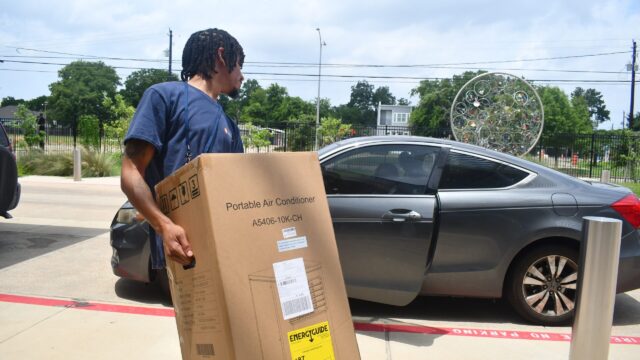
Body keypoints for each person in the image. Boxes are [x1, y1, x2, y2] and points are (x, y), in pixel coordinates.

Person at [120, 28, 245, 270]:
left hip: (222, 251)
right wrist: (163, 225)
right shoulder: (163, 96)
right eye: (239, 64)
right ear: (221, 56)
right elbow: (131, 173)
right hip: (180, 251)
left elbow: (235, 188)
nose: (242, 76)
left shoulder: (229, 124)